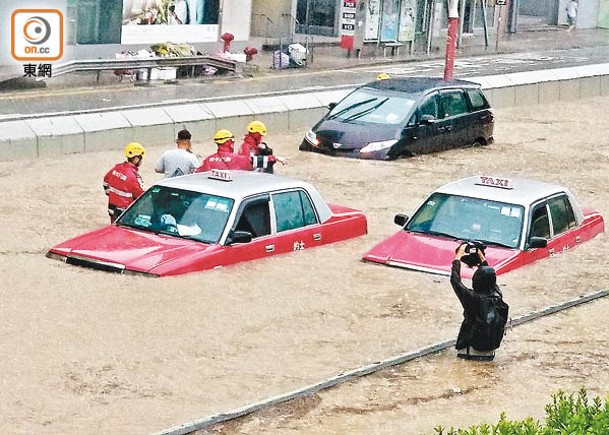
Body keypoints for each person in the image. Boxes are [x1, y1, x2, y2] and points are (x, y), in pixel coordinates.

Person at [450, 242, 508, 361]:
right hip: (489, 355)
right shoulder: (498, 296)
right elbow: (491, 279)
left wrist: (458, 257)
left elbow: (455, 281)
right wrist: (482, 258)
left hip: (469, 355)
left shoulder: (472, 299)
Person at [103, 142, 146, 223]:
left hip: (112, 208)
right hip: (125, 213)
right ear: (136, 158)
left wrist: (112, 195)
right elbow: (141, 196)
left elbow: (105, 182)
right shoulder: (134, 177)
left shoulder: (116, 168)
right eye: (141, 158)